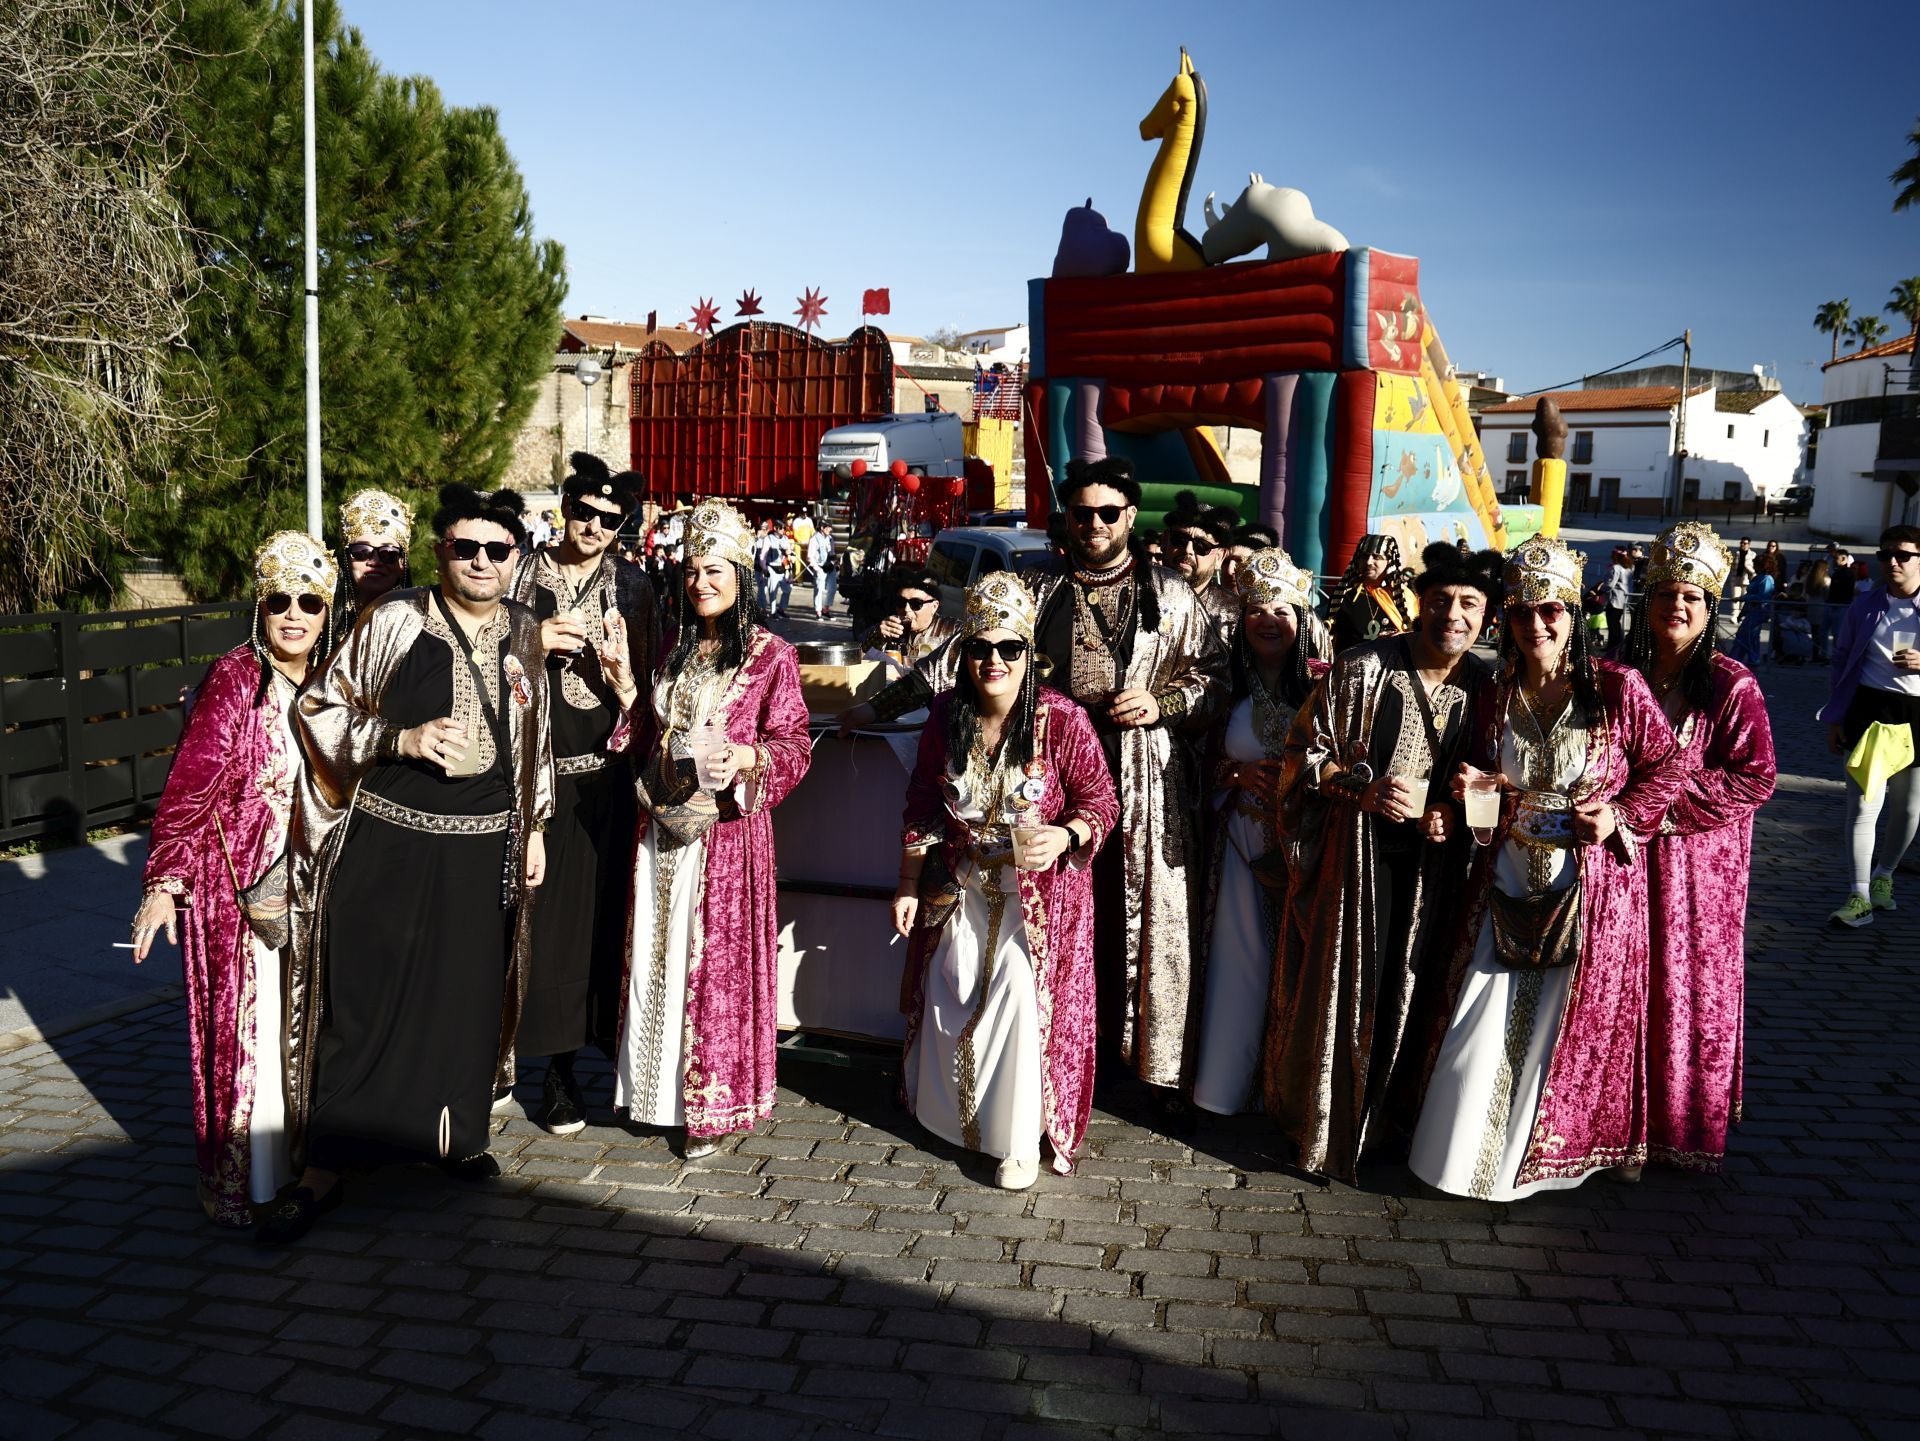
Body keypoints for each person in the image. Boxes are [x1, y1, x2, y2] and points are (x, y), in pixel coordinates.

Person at [273, 486, 553, 1244]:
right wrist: (400, 739)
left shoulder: (525, 630)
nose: (483, 562)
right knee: (364, 1001)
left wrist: (535, 824)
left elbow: (538, 736)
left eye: (498, 550)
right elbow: (321, 709)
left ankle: (454, 1137)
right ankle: (324, 1169)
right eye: (467, 547)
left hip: (484, 849)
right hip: (391, 847)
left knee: (464, 1001)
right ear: (441, 553)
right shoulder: (397, 619)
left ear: (515, 557)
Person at [1409, 536, 1684, 1200]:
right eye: (1524, 611)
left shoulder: (1618, 688)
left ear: (1576, 614)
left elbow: (1670, 769)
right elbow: (1477, 780)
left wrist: (1618, 813)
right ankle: (1458, 1161)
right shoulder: (1496, 690)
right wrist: (1476, 787)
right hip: (1504, 876)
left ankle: (1537, 1162)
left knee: (1561, 1030)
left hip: (1586, 890)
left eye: (1552, 610)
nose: (1537, 624)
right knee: (1480, 1011)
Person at [1265, 541, 1502, 1181]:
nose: (1453, 615)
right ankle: (1336, 1125)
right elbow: (1300, 754)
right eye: (1442, 601)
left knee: (1426, 993)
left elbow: (1502, 782)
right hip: (1358, 867)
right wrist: (1359, 789)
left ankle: (1406, 1128)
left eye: (1470, 604)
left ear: (1486, 617)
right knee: (1355, 992)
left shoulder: (1489, 688)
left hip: (1444, 875)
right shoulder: (1362, 668)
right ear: (1418, 605)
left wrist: (1459, 813)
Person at [131, 532, 339, 1228]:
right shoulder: (234, 678)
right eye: (279, 599)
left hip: (313, 887)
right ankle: (252, 1184)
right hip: (240, 893)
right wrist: (165, 881)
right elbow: (190, 789)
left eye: (309, 602)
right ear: (260, 603)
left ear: (326, 611)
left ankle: (302, 1168)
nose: (294, 614)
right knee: (252, 1032)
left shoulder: (329, 681)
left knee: (300, 1029)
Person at [893, 574, 1119, 1186]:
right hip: (964, 888)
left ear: (1030, 653)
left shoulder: (1063, 720)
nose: (993, 661)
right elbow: (921, 805)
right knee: (952, 980)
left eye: (1009, 648)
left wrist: (1066, 834)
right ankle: (950, 1117)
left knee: (1019, 988)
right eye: (979, 647)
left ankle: (1018, 1140)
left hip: (1039, 901)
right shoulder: (946, 715)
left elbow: (1102, 800)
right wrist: (909, 884)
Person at [611, 500, 811, 1157]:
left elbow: (796, 743)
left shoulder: (770, 654)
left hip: (725, 839)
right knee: (659, 957)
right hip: (662, 828)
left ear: (742, 573)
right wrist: (624, 692)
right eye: (693, 569)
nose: (701, 581)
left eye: (716, 568)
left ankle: (711, 1105)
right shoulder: (672, 644)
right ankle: (654, 1093)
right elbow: (653, 730)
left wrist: (751, 756)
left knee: (711, 970)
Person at [505, 454, 660, 1132]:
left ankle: (591, 1066)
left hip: (610, 779)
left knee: (603, 927)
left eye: (609, 518)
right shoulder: (517, 573)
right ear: (564, 507)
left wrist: (624, 677)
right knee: (539, 927)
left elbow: (656, 689)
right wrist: (531, 638)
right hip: (534, 776)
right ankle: (535, 1064)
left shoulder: (633, 587)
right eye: (583, 512)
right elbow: (478, 653)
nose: (594, 526)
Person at [1620, 523, 1776, 1171]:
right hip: (1624, 860)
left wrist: (1656, 804)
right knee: (1622, 985)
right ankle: (1619, 1124)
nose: (1676, 606)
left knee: (1686, 989)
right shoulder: (1620, 673)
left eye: (1692, 595)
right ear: (1646, 600)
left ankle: (1681, 1126)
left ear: (1711, 608)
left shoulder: (1732, 683)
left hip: (1699, 872)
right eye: (1664, 593)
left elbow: (1755, 774)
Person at [1191, 550, 1330, 1117]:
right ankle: (1224, 1088)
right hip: (1239, 849)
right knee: (1239, 966)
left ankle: (1290, 1094)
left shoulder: (1326, 690)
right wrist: (1235, 773)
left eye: (1283, 609)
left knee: (1299, 967)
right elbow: (1191, 765)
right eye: (1257, 610)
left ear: (1302, 618)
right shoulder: (1219, 689)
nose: (1270, 620)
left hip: (1306, 853)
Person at [1820, 525, 1920, 927]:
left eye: (1903, 555)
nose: (1891, 562)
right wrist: (1834, 717)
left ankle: (1884, 876)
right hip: (1869, 711)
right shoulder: (1865, 605)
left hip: (1917, 714)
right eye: (1885, 554)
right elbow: (1840, 660)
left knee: (1909, 810)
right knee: (1863, 808)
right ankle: (1858, 895)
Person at [1161, 492, 1242, 651]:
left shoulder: (1234, 615)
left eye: (1201, 546)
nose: (1188, 550)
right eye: (1180, 540)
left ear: (1220, 557)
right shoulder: (1136, 594)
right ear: (1164, 541)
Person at [333, 488, 413, 629]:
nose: (374, 562)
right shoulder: (325, 623)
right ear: (347, 560)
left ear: (403, 562)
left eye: (388, 553)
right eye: (362, 551)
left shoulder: (420, 624)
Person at [1329, 534, 1419, 652]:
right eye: (1364, 556)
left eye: (1376, 557)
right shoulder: (1344, 595)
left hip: (1390, 667)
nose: (1369, 562)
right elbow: (1330, 638)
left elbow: (1415, 637)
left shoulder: (1403, 596)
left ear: (1389, 561)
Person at [1727, 551, 1776, 666]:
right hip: (1752, 610)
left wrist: (1742, 598)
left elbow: (1762, 596)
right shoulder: (1757, 577)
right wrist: (1741, 613)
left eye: (1756, 564)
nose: (1753, 566)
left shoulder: (1767, 579)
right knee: (1744, 634)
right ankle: (1736, 657)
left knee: (1751, 635)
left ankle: (1752, 658)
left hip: (1759, 611)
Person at [1605, 546, 1633, 652]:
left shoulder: (1615, 568)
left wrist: (1601, 588)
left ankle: (1612, 645)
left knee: (1612, 623)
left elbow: (1610, 584)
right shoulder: (1629, 568)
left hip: (1615, 599)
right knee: (1618, 623)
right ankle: (1618, 644)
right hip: (1625, 599)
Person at [807, 523, 837, 619]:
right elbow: (810, 556)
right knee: (819, 590)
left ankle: (826, 609)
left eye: (830, 527)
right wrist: (817, 568)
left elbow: (832, 552)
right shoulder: (814, 539)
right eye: (828, 527)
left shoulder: (830, 538)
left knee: (832, 589)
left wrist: (834, 561)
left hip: (830, 566)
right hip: (820, 567)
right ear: (822, 528)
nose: (830, 529)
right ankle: (818, 611)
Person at [1728, 538, 1756, 609]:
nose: (1742, 545)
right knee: (1735, 598)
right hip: (1736, 579)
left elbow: (1754, 569)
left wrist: (1747, 566)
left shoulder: (1753, 554)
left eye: (1745, 543)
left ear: (1749, 545)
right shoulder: (1736, 553)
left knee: (1743, 600)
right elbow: (1731, 566)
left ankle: (1740, 617)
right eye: (1741, 543)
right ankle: (1734, 615)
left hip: (1746, 580)